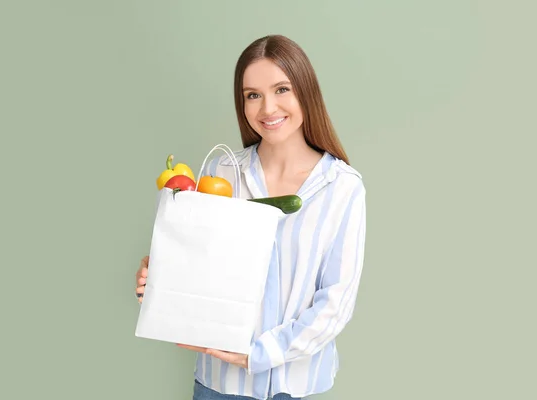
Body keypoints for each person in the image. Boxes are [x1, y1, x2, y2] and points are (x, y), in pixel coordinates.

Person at [135, 34, 367, 400]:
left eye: (281, 89)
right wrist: (159, 280)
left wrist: (258, 354)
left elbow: (335, 302)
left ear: (305, 91)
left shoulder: (341, 187)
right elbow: (199, 270)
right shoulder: (220, 172)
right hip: (218, 385)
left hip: (298, 387)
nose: (267, 108)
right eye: (252, 95)